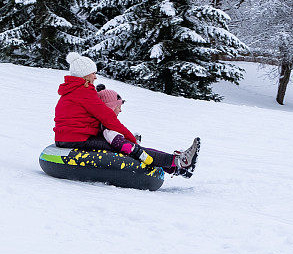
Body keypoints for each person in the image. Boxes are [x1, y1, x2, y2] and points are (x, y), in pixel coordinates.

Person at [54, 52, 200, 177]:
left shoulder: (72, 91)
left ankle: (174, 168)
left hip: (67, 138)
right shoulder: (84, 92)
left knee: (125, 146)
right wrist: (130, 140)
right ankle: (180, 162)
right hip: (78, 140)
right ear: (85, 75)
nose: (95, 77)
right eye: (93, 73)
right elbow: (109, 119)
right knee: (131, 148)